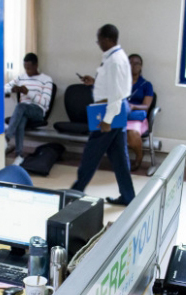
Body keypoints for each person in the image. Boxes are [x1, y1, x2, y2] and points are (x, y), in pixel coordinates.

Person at [71, 24, 136, 206]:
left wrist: (107, 121)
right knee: (119, 158)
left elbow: (116, 94)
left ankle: (75, 192)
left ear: (107, 39)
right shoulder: (116, 56)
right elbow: (113, 86)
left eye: (99, 39)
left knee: (91, 154)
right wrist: (95, 82)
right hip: (116, 109)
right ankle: (128, 196)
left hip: (110, 112)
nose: (98, 43)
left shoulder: (114, 60)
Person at [4, 53, 54, 166]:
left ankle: (6, 138)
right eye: (25, 68)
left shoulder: (46, 79)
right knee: (21, 119)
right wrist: (12, 89)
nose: (27, 71)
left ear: (36, 65)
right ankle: (19, 155)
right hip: (23, 111)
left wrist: (28, 92)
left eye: (29, 68)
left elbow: (45, 102)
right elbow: (4, 88)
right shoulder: (21, 77)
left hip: (38, 111)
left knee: (21, 107)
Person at [126, 54, 154, 171]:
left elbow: (146, 106)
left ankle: (139, 156)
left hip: (136, 118)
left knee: (132, 132)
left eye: (136, 63)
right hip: (120, 115)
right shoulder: (120, 83)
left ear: (141, 66)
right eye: (130, 63)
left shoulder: (146, 85)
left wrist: (133, 106)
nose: (133, 66)